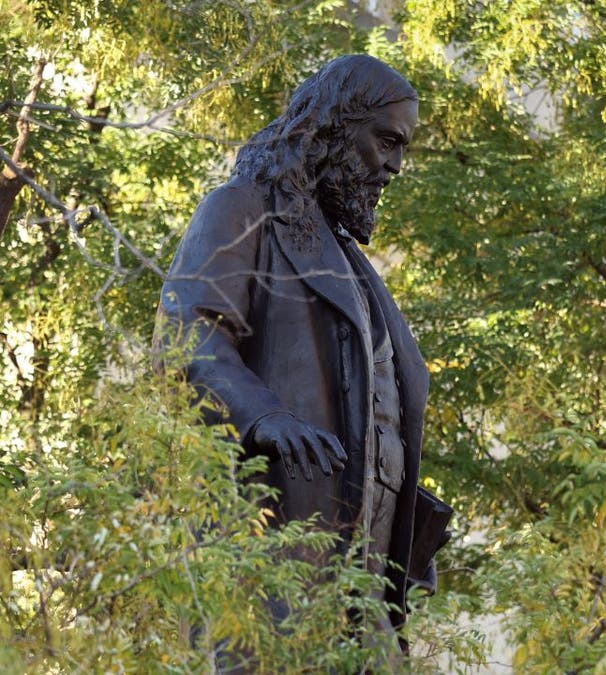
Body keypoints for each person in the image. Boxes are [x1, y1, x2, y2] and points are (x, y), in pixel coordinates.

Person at [155, 54, 436, 659]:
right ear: (336, 126)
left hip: (365, 575)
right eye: (387, 142)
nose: (395, 166)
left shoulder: (350, 260)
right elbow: (188, 330)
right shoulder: (241, 210)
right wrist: (262, 413)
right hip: (277, 541)